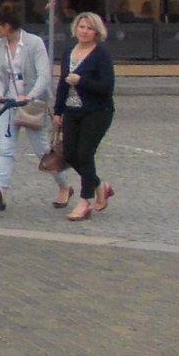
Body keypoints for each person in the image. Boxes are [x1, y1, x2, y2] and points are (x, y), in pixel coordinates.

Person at [0, 0, 65, 210]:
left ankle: (64, 186)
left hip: (32, 103)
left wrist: (31, 95)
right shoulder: (0, 45)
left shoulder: (34, 43)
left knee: (42, 151)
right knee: (6, 150)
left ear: (7, 26)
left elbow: (44, 75)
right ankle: (0, 193)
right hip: (9, 102)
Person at [56, 11, 117, 222]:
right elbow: (63, 83)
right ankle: (100, 185)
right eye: (82, 27)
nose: (84, 31)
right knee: (71, 155)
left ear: (96, 32)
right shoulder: (68, 52)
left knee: (85, 154)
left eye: (89, 28)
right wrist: (57, 111)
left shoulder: (101, 55)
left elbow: (107, 87)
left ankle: (85, 202)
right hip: (72, 111)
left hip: (97, 112)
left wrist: (81, 80)